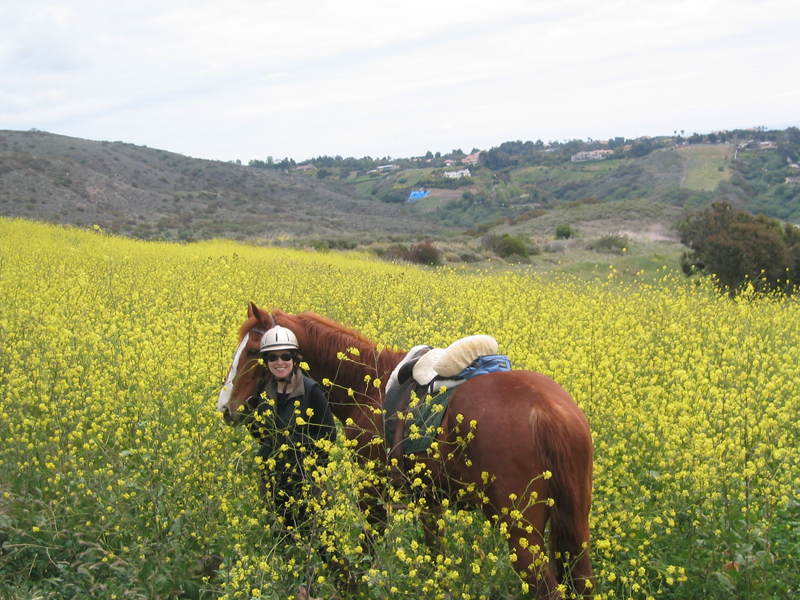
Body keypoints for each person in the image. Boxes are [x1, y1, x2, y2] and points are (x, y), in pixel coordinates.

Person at [249, 325, 337, 530]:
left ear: (295, 359)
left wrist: (311, 466)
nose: (280, 362)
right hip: (273, 481)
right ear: (266, 361)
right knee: (280, 538)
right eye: (272, 357)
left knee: (317, 538)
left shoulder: (312, 390)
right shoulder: (262, 393)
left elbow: (329, 435)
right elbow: (259, 432)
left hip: (307, 480)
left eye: (286, 356)